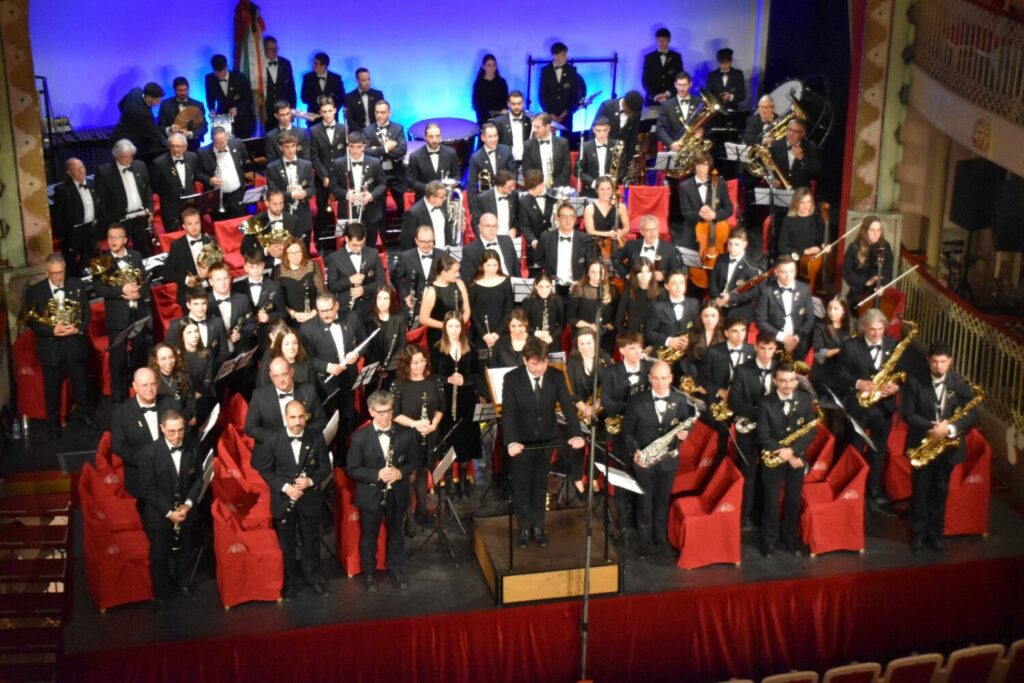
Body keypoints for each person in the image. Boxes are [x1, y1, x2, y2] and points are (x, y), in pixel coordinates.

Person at [502, 337, 586, 547]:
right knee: (521, 486)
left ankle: (538, 525)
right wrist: (511, 441)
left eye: (543, 363)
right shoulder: (512, 378)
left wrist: (576, 434)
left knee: (540, 485)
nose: (540, 369)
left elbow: (568, 407)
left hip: (547, 440)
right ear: (525, 360)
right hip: (521, 442)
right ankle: (524, 527)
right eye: (534, 364)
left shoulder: (556, 376)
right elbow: (508, 414)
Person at [902, 342, 979, 554]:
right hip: (922, 445)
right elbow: (907, 414)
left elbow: (972, 413)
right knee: (920, 492)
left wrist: (950, 428)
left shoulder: (959, 384)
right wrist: (932, 428)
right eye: (934, 361)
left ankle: (935, 536)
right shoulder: (915, 381)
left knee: (940, 492)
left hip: (948, 449)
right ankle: (917, 536)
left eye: (943, 362)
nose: (938, 366)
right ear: (928, 359)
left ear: (950, 362)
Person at [254, 399, 332, 599]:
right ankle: (289, 583)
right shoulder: (273, 440)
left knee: (311, 541)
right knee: (286, 544)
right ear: (285, 418)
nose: (297, 421)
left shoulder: (316, 438)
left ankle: (314, 577)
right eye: (293, 417)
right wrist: (287, 488)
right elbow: (266, 470)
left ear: (305, 417)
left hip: (309, 499)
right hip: (284, 499)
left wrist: (310, 482)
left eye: (301, 417)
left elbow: (325, 468)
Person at [835, 308, 904, 512]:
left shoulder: (894, 346)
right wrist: (858, 383)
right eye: (872, 329)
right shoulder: (849, 346)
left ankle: (873, 488)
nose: (876, 333)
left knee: (879, 450)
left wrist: (896, 386)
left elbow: (904, 374)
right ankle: (852, 486)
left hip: (883, 406)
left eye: (880, 329)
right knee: (855, 448)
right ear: (864, 327)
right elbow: (839, 373)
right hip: (859, 407)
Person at [347, 391, 416, 591]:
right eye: (382, 412)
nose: (386, 416)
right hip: (371, 496)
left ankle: (396, 570)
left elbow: (413, 462)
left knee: (397, 534)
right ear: (371, 412)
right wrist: (377, 474)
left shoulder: (405, 433)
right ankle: (369, 574)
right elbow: (352, 469)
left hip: (397, 493)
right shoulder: (360, 437)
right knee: (369, 537)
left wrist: (400, 473)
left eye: (389, 411)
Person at [623, 360, 694, 558]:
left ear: (671, 378)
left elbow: (686, 423)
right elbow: (627, 432)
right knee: (644, 500)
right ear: (649, 378)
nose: (660, 382)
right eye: (656, 378)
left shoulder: (680, 399)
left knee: (663, 500)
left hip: (668, 461)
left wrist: (685, 433)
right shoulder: (637, 400)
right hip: (643, 460)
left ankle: (661, 538)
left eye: (664, 378)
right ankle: (644, 540)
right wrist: (635, 450)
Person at [21, 253, 94, 437]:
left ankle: (84, 415)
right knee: (52, 389)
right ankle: (53, 425)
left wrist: (77, 329)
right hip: (51, 348)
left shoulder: (76, 284)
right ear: (47, 272)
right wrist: (52, 331)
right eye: (54, 273)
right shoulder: (35, 292)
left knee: (80, 384)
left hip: (74, 343)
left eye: (61, 272)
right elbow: (31, 322)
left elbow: (86, 312)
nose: (58, 277)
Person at [138, 409, 203, 608]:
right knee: (160, 557)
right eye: (172, 431)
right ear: (162, 429)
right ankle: (161, 594)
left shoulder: (193, 447)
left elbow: (198, 479)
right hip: (159, 515)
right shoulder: (149, 453)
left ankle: (184, 584)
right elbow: (149, 489)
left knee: (185, 553)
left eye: (180, 431)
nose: (177, 436)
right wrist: (169, 512)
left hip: (185, 513)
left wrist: (188, 505)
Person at [756, 362, 818, 558]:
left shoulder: (805, 400)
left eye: (791, 380)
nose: (788, 385)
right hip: (773, 458)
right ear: (775, 381)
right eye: (782, 381)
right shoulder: (765, 403)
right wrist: (781, 452)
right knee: (771, 503)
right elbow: (763, 436)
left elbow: (810, 431)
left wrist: (792, 452)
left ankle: (790, 539)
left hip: (796, 458)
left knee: (792, 501)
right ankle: (769, 542)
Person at [91, 224, 150, 402]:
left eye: (117, 237)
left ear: (125, 240)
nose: (113, 241)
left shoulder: (136, 255)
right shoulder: (101, 261)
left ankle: (140, 395)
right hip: (117, 317)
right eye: (110, 237)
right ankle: (119, 399)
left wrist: (140, 291)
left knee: (140, 355)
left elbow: (145, 279)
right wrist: (121, 291)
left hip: (137, 314)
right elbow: (98, 288)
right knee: (117, 361)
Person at [300, 292, 364, 453]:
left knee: (348, 416)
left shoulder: (351, 317)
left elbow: (364, 341)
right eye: (322, 311)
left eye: (329, 310)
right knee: (328, 421)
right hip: (324, 383)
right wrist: (327, 366)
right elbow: (306, 359)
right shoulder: (307, 328)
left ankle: (348, 453)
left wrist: (356, 354)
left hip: (348, 378)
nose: (326, 314)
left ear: (337, 306)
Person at [600, 332, 653, 529]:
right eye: (632, 348)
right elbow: (607, 403)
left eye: (639, 347)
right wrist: (630, 406)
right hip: (621, 431)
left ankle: (642, 519)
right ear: (622, 351)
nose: (638, 351)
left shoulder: (649, 368)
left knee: (644, 474)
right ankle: (623, 516)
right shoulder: (611, 372)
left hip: (645, 431)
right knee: (623, 473)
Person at [729, 332, 779, 529]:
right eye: (763, 348)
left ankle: (765, 514)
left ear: (775, 349)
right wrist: (760, 413)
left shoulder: (780, 369)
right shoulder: (742, 370)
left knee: (770, 474)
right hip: (748, 428)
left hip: (773, 431)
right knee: (748, 473)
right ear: (756, 347)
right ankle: (745, 516)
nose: (766, 353)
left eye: (771, 349)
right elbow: (734, 402)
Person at [390, 347, 444, 528]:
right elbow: (395, 414)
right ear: (406, 364)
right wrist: (414, 424)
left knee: (423, 472)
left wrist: (434, 424)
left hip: (429, 434)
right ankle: (409, 518)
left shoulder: (434, 381)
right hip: (407, 436)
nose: (419, 366)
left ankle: (422, 511)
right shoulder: (398, 384)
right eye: (415, 363)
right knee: (410, 477)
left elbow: (440, 408)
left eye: (422, 361)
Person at [431, 312, 483, 498]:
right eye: (450, 326)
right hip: (445, 402)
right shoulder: (437, 348)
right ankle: (446, 485)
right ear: (445, 327)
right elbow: (433, 376)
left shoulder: (471, 348)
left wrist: (464, 380)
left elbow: (478, 375)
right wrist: (448, 379)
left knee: (464, 441)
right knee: (447, 441)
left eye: (457, 326)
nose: (454, 330)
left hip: (466, 401)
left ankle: (462, 483)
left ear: (462, 328)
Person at [111, 368, 179, 498]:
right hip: (140, 478)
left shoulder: (171, 404)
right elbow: (118, 447)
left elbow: (183, 434)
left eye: (153, 384)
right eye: (145, 385)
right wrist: (147, 462)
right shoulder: (121, 413)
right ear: (135, 386)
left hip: (171, 477)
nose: (150, 389)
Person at [565, 329, 611, 497]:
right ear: (577, 345)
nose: (585, 347)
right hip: (578, 407)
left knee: (598, 442)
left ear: (595, 342)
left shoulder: (604, 358)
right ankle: (577, 477)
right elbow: (569, 389)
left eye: (589, 343)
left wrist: (597, 404)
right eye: (581, 343)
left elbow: (609, 385)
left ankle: (593, 477)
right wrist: (584, 408)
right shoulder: (572, 361)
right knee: (577, 442)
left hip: (599, 408)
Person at [246, 356, 325, 447]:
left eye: (284, 374)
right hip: (273, 448)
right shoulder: (259, 396)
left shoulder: (309, 390)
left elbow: (321, 420)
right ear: (271, 376)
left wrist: (302, 433)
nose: (281, 380)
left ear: (292, 372)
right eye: (276, 376)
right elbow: (250, 428)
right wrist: (278, 438)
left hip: (304, 444)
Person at [94, 139, 153, 255]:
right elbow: (101, 199)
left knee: (143, 247)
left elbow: (148, 190)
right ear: (116, 155)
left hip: (140, 216)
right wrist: (109, 221)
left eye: (130, 156)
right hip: (119, 219)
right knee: (120, 251)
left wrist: (150, 210)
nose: (127, 160)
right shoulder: (105, 172)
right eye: (123, 157)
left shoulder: (140, 166)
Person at [329, 131, 387, 248]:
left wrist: (371, 196)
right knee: (349, 244)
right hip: (348, 211)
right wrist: (346, 194)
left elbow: (382, 184)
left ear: (364, 146)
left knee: (370, 244)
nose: (355, 150)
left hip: (371, 212)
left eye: (358, 147)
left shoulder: (374, 162)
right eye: (352, 147)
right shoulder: (338, 163)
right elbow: (333, 186)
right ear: (348, 146)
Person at [754, 255, 815, 360]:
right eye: (784, 272)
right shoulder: (766, 291)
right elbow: (760, 321)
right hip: (773, 344)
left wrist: (796, 338)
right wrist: (783, 338)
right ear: (776, 272)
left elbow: (809, 318)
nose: (788, 276)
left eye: (792, 271)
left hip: (798, 344)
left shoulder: (804, 289)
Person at [308, 96, 348, 244]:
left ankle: (342, 241)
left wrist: (341, 176)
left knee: (342, 210)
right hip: (322, 179)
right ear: (320, 112)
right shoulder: (314, 130)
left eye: (330, 111)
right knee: (322, 211)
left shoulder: (344, 129)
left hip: (340, 179)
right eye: (324, 111)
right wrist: (324, 176)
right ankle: (321, 243)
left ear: (335, 110)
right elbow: (314, 156)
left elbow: (345, 155)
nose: (327, 114)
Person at [51, 158, 100, 277]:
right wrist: (64, 234)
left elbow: (99, 207)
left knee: (90, 264)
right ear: (69, 172)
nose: (81, 170)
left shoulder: (92, 184)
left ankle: (91, 289)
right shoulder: (62, 189)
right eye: (76, 169)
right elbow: (58, 215)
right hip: (72, 235)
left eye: (82, 167)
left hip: (91, 232)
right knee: (71, 266)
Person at [161, 208, 216, 309]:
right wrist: (188, 279)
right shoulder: (177, 246)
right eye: (190, 224)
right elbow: (166, 273)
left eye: (197, 223)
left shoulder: (210, 240)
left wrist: (210, 271)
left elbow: (219, 263)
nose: (194, 227)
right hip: (189, 295)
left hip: (211, 290)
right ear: (184, 226)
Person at [536, 201, 594, 295]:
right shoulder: (545, 237)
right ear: (557, 218)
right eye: (564, 217)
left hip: (577, 286)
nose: (568, 220)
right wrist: (549, 275)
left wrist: (580, 282)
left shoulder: (585, 239)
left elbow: (590, 263)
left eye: (571, 217)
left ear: (575, 219)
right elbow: (538, 259)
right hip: (553, 287)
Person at [326, 222, 383, 316]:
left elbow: (381, 281)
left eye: (362, 244)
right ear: (346, 239)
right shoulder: (334, 258)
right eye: (355, 245)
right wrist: (349, 280)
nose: (359, 249)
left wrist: (364, 290)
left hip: (371, 307)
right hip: (346, 310)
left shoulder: (373, 253)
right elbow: (332, 286)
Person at [363, 100, 407, 222]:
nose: (379, 115)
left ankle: (403, 236)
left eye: (382, 112)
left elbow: (402, 150)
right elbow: (366, 152)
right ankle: (382, 239)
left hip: (396, 174)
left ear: (389, 113)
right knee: (380, 212)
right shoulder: (367, 131)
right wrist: (386, 148)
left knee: (402, 209)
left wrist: (377, 150)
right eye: (377, 112)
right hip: (378, 175)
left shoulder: (398, 128)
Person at [679, 151, 734, 247]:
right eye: (698, 165)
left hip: (716, 228)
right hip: (693, 227)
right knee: (686, 256)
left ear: (709, 166)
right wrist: (700, 214)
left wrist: (715, 215)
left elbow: (729, 209)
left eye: (704, 165)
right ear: (694, 166)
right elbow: (685, 212)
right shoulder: (684, 186)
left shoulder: (720, 183)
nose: (701, 169)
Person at [709, 227, 763, 323]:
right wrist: (717, 298)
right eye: (730, 244)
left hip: (740, 310)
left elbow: (755, 292)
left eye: (737, 244)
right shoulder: (721, 258)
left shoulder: (752, 266)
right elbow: (712, 281)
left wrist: (731, 298)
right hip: (719, 307)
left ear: (745, 244)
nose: (732, 248)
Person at [266, 131, 315, 237]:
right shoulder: (272, 168)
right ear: (281, 148)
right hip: (283, 215)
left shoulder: (307, 165)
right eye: (287, 147)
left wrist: (304, 193)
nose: (291, 150)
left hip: (303, 216)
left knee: (304, 250)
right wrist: (291, 195)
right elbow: (272, 192)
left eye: (293, 146)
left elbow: (312, 189)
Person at [166, 286, 229, 366]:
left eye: (203, 303)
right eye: (196, 304)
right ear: (188, 305)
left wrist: (212, 368)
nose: (200, 308)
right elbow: (168, 352)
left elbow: (224, 351)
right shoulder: (176, 325)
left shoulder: (217, 322)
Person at [392, 225, 445, 319]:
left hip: (437, 306)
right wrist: (405, 296)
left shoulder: (442, 255)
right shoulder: (405, 257)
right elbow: (395, 277)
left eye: (429, 241)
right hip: (412, 307)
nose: (426, 245)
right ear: (416, 241)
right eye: (423, 241)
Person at [843, 214, 894, 313]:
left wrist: (881, 285)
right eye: (872, 230)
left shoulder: (885, 246)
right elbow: (847, 273)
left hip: (878, 293)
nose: (876, 234)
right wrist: (866, 282)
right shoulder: (854, 247)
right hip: (857, 294)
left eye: (879, 230)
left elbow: (888, 273)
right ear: (864, 231)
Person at [149, 133, 199, 233]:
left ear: (185, 147)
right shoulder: (159, 163)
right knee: (175, 239)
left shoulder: (192, 157)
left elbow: (195, 176)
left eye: (179, 146)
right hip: (170, 209)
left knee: (194, 233)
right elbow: (155, 186)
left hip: (190, 205)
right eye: (172, 146)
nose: (175, 149)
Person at [644, 270, 699, 359]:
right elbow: (649, 333)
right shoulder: (657, 307)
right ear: (666, 286)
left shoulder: (694, 304)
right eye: (674, 284)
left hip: (688, 355)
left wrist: (690, 341)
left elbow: (698, 328)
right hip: (664, 355)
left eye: (682, 283)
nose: (678, 287)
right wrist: (669, 341)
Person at [469, 249, 514, 356]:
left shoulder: (506, 281)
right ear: (482, 265)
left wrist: (498, 333)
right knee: (483, 366)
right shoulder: (474, 284)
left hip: (502, 333)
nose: (492, 268)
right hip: (481, 335)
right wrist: (484, 335)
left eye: (495, 265)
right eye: (488, 265)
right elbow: (473, 313)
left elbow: (509, 309)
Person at [419, 255, 471, 349]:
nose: (457, 274)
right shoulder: (432, 291)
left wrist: (458, 326)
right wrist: (449, 327)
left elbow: (466, 309)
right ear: (443, 273)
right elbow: (423, 318)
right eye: (454, 272)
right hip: (440, 337)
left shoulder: (459, 283)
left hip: (460, 333)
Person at [197, 126, 249, 218]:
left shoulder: (237, 144)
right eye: (218, 143)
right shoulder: (203, 153)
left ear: (227, 137)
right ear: (212, 141)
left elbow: (244, 159)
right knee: (221, 225)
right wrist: (209, 180)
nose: (222, 145)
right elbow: (198, 173)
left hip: (237, 194)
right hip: (218, 198)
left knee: (240, 221)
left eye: (224, 142)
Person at [568, 260, 618, 353]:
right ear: (588, 273)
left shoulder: (612, 289)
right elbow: (571, 318)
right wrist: (590, 327)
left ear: (604, 273)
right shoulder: (579, 289)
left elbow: (617, 314)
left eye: (600, 272)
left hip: (605, 336)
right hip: (584, 335)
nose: (597, 276)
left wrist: (610, 325)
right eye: (593, 272)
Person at [206, 261, 256, 355]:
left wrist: (240, 335)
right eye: (218, 279)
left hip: (241, 350)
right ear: (211, 282)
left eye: (225, 278)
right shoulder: (204, 303)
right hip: (217, 354)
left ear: (230, 279)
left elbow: (251, 323)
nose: (222, 283)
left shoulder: (242, 299)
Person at [240, 188, 302, 263]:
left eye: (281, 203)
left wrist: (287, 250)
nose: (279, 208)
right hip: (266, 266)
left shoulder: (293, 220)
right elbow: (245, 250)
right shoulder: (255, 221)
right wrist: (267, 251)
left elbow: (301, 245)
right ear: (267, 203)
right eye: (275, 204)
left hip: (289, 263)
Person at [809, 295, 853, 399]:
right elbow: (819, 354)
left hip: (844, 375)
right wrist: (840, 350)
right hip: (824, 375)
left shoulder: (853, 325)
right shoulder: (820, 326)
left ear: (844, 310)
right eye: (829, 308)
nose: (831, 312)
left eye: (836, 309)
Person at [273, 237, 324, 326]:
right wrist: (293, 314)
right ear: (286, 254)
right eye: (291, 253)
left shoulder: (312, 265)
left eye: (298, 252)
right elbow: (277, 299)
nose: (295, 256)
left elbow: (322, 292)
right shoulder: (278, 270)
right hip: (290, 319)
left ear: (303, 252)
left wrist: (313, 312)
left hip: (314, 316)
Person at [539, 42, 586, 136]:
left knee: (566, 142)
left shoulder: (571, 71)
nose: (566, 57)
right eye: (563, 55)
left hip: (566, 115)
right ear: (555, 55)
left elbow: (574, 94)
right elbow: (542, 94)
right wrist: (550, 113)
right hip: (550, 115)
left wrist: (566, 112)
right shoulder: (546, 71)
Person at [173, 320, 216, 425]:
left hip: (202, 397)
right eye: (189, 332)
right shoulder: (176, 355)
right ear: (181, 336)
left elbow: (207, 380)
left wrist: (197, 396)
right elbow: (177, 385)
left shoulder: (206, 354)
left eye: (196, 331)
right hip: (182, 401)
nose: (195, 335)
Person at [363, 286, 407, 388]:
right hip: (373, 366)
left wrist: (387, 367)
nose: (382, 302)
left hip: (392, 368)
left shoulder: (399, 319)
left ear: (391, 300)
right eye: (379, 298)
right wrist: (377, 366)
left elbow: (401, 346)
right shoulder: (368, 319)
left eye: (386, 299)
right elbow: (365, 347)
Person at [611, 214, 676, 282]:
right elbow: (615, 257)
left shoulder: (670, 249)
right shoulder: (632, 245)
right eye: (648, 230)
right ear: (642, 232)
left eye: (655, 229)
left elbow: (675, 272)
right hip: (635, 288)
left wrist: (663, 276)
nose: (652, 233)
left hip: (658, 289)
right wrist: (626, 274)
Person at [405, 123, 461, 200]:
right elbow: (411, 181)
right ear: (425, 137)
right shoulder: (415, 156)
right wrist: (430, 189)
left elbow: (456, 176)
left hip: (445, 198)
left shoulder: (451, 153)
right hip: (424, 199)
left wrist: (448, 187)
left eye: (437, 136)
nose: (434, 140)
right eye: (431, 137)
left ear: (440, 136)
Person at [204, 54, 254, 139]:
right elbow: (210, 98)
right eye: (216, 71)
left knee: (243, 144)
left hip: (242, 119)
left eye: (221, 71)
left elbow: (249, 100)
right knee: (224, 143)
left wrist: (237, 108)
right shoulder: (210, 79)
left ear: (226, 66)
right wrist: (211, 109)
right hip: (223, 118)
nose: (219, 74)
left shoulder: (239, 77)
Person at [110, 82, 165, 158]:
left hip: (118, 133)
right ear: (149, 97)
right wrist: (166, 143)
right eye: (157, 99)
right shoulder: (146, 114)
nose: (159, 102)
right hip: (130, 143)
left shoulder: (135, 91)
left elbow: (121, 105)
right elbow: (154, 134)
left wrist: (128, 117)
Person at [461, 212, 518, 281]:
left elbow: (516, 268)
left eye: (494, 226)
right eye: (488, 226)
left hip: (510, 286)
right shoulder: (470, 250)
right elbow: (468, 279)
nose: (491, 229)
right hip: (487, 289)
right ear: (480, 227)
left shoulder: (507, 241)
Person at [768, 118, 821, 190]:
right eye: (789, 129)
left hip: (801, 192)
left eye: (795, 132)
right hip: (780, 190)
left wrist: (802, 157)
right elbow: (770, 168)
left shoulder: (810, 147)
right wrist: (774, 179)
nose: (791, 134)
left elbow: (817, 171)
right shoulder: (775, 146)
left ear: (803, 134)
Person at [467, 122, 514, 203]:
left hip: (506, 196)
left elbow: (513, 173)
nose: (494, 139)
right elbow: (472, 185)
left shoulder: (506, 151)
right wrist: (473, 209)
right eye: (490, 137)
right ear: (482, 138)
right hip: (486, 200)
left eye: (495, 136)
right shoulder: (476, 158)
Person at [157, 77, 207, 151]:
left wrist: (190, 134)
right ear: (174, 90)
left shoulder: (198, 105)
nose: (183, 93)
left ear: (188, 89)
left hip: (193, 146)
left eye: (185, 90)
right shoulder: (165, 105)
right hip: (173, 146)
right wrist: (170, 129)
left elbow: (203, 127)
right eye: (179, 90)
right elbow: (160, 127)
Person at [655, 71, 701, 153]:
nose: (681, 88)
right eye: (679, 85)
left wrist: (702, 131)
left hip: (695, 151)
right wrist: (671, 144)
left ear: (690, 84)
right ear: (675, 85)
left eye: (684, 85)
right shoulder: (667, 105)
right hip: (675, 149)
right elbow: (660, 129)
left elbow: (706, 123)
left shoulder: (699, 102)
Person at [594, 90, 644, 163]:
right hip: (604, 151)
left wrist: (629, 159)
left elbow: (633, 136)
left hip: (622, 156)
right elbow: (596, 130)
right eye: (630, 112)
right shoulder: (607, 106)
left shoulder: (636, 113)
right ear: (624, 103)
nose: (632, 115)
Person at [522, 113, 571, 188]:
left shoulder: (562, 143)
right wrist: (539, 186)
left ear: (548, 127)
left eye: (538, 127)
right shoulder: (528, 145)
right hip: (537, 188)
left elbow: (567, 168)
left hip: (558, 187)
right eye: (534, 127)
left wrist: (554, 186)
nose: (534, 130)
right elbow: (527, 170)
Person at [150, 343, 195, 425]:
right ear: (156, 361)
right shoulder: (152, 380)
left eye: (171, 357)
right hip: (162, 423)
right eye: (163, 359)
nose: (169, 362)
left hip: (183, 420)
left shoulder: (181, 375)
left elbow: (190, 397)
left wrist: (192, 415)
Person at [615, 258, 660, 337]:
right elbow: (619, 320)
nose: (644, 276)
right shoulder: (628, 292)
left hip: (653, 338)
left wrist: (653, 346)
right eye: (640, 272)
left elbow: (664, 323)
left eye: (647, 272)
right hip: (632, 337)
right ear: (635, 274)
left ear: (652, 273)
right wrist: (626, 338)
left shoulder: (660, 293)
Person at [401, 180, 452, 251]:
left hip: (443, 255)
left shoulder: (442, 206)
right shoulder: (413, 213)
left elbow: (446, 231)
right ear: (432, 197)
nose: (444, 199)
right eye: (442, 197)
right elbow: (407, 243)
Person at [778, 187, 826, 261]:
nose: (806, 206)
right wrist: (803, 251)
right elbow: (782, 248)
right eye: (802, 202)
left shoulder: (817, 218)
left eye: (808, 202)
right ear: (795, 203)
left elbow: (821, 240)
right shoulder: (788, 221)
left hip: (813, 260)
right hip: (795, 260)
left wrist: (824, 245)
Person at [578, 118, 623, 198]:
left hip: (611, 191)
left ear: (609, 129)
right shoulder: (585, 147)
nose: (602, 134)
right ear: (594, 130)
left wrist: (612, 180)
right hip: (590, 191)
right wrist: (593, 183)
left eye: (604, 130)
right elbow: (578, 170)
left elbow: (623, 168)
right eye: (598, 130)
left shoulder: (617, 145)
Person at [517, 170, 554, 262]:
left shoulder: (555, 196)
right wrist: (532, 240)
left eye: (533, 189)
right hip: (535, 247)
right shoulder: (523, 202)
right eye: (528, 189)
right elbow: (524, 226)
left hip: (554, 243)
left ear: (542, 184)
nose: (530, 191)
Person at [521, 274, 565, 351]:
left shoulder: (558, 300)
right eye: (541, 286)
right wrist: (535, 332)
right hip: (533, 340)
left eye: (547, 287)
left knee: (555, 362)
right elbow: (523, 322)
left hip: (552, 340)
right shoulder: (527, 301)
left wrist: (552, 336)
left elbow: (562, 324)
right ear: (536, 286)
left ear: (551, 286)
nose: (544, 290)